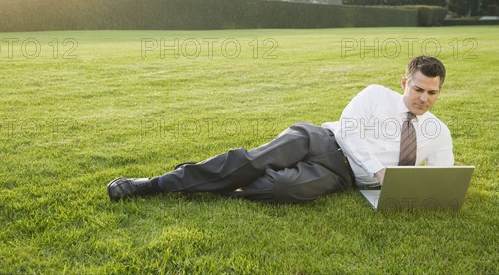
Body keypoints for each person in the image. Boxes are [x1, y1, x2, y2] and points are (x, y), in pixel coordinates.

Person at [107, 56, 453, 203]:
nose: (424, 98)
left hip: (342, 177)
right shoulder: (376, 94)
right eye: (418, 89)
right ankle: (155, 185)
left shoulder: (438, 132)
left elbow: (443, 179)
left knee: (286, 188)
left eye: (432, 92)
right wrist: (379, 171)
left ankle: (217, 185)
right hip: (321, 140)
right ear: (404, 82)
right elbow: (347, 130)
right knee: (256, 160)